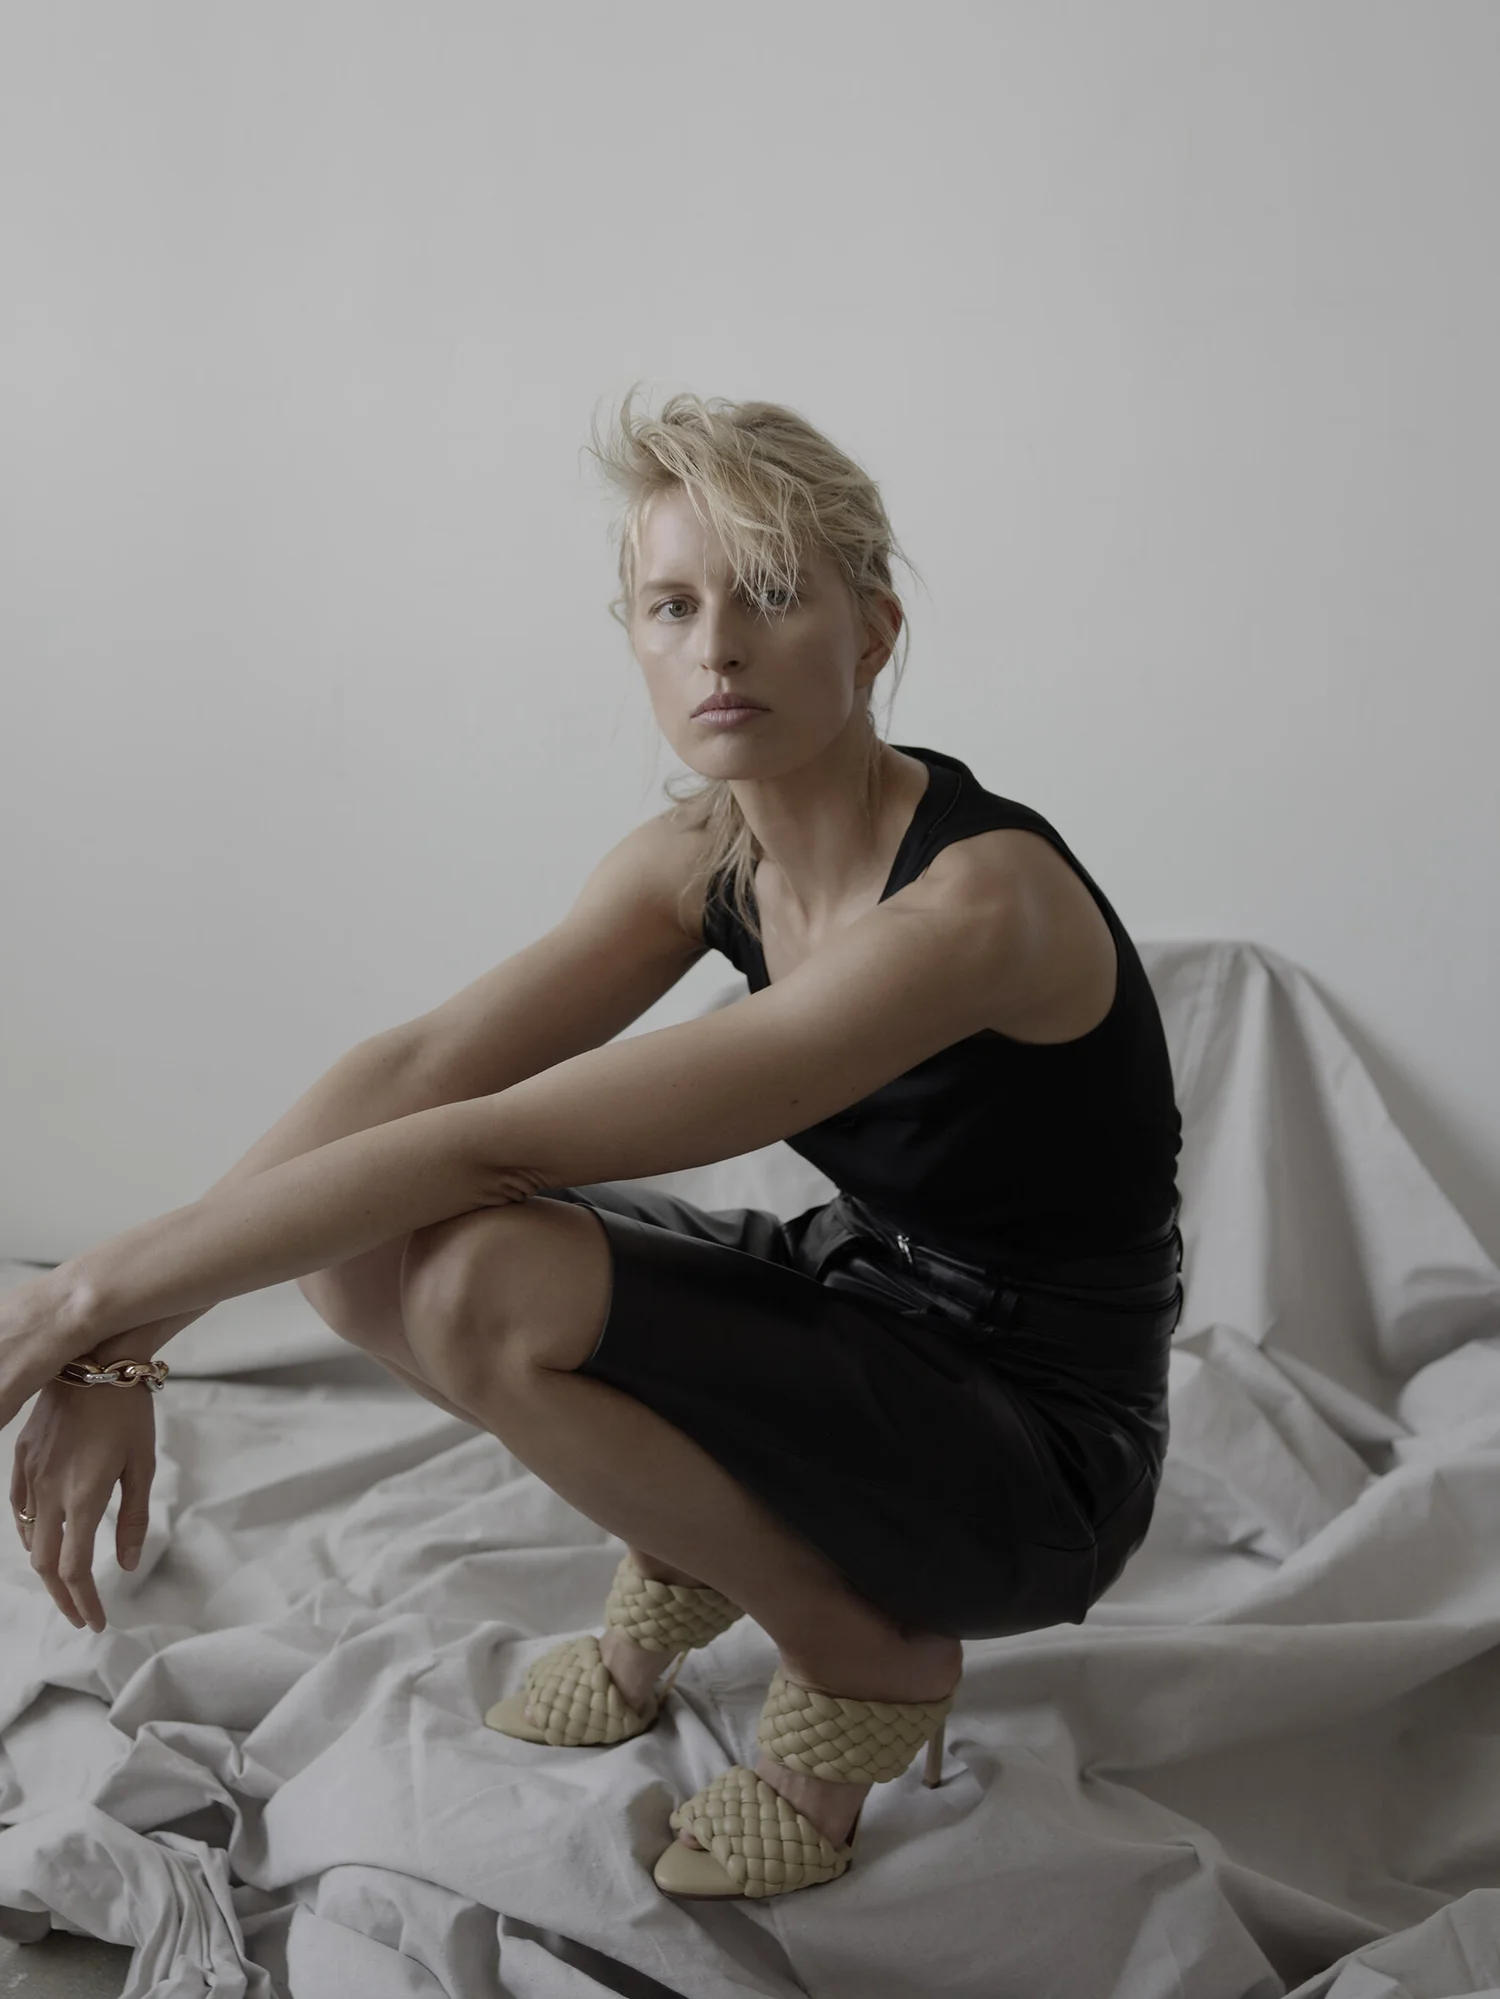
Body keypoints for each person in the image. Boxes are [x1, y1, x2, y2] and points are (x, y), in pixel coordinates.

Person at [2, 388, 1184, 1901]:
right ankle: (697, 1545)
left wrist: (69, 1304)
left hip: (1036, 1448)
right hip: (861, 1300)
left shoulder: (976, 904)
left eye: (771, 594)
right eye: (673, 605)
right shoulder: (706, 854)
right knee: (363, 1252)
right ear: (633, 635)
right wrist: (118, 1345)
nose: (718, 648)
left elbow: (487, 1143)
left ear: (874, 632)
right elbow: (415, 1070)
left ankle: (855, 1645)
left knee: (482, 1277)